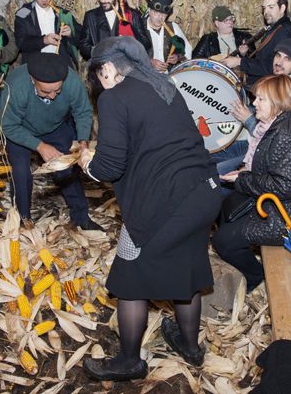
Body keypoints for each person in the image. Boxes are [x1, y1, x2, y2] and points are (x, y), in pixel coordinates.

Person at [78, 37, 222, 381]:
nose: (99, 83)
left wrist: (87, 164)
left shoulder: (114, 98)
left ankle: (129, 361)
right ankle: (190, 348)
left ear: (108, 68)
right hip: (204, 190)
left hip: (165, 202)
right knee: (187, 269)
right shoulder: (163, 85)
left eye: (98, 75)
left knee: (129, 279)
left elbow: (110, 166)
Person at [212, 75, 291, 291]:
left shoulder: (289, 133)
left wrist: (243, 178)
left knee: (223, 241)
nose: (254, 103)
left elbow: (283, 186)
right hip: (288, 206)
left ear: (278, 102)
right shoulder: (284, 122)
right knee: (226, 206)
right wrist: (244, 173)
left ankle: (255, 277)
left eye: (261, 99)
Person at [0, 52, 102, 230]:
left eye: (58, 91)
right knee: (21, 173)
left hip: (55, 127)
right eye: (46, 92)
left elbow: (83, 112)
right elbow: (8, 125)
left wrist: (83, 143)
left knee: (66, 168)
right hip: (21, 129)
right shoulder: (16, 86)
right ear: (32, 80)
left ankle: (81, 217)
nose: (53, 96)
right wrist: (40, 146)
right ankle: (23, 220)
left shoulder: (71, 81)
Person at [216, 37, 291, 177]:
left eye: (287, 59)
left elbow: (275, 139)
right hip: (251, 143)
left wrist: (248, 118)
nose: (279, 62)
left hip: (262, 154)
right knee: (205, 155)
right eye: (278, 55)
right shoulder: (277, 83)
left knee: (217, 172)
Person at [222, 0, 291, 87]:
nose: (266, 12)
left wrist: (239, 61)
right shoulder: (275, 28)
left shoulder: (285, 31)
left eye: (271, 7)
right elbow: (263, 58)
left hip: (268, 88)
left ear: (282, 8)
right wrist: (245, 55)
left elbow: (273, 67)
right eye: (264, 8)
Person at [14, 0, 81, 69]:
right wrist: (43, 40)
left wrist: (71, 33)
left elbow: (81, 37)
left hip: (60, 64)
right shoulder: (24, 14)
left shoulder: (62, 14)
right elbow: (21, 43)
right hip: (34, 65)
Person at [79, 0, 151, 60]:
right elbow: (83, 46)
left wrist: (130, 42)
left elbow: (146, 43)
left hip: (128, 65)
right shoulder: (91, 16)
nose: (102, 0)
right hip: (101, 65)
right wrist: (98, 51)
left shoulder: (132, 15)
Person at [144, 0, 191, 73]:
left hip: (169, 74)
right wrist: (149, 62)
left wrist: (177, 57)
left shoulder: (173, 27)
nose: (160, 17)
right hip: (146, 74)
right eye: (156, 12)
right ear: (150, 11)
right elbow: (131, 55)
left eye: (163, 14)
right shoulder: (140, 28)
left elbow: (187, 50)